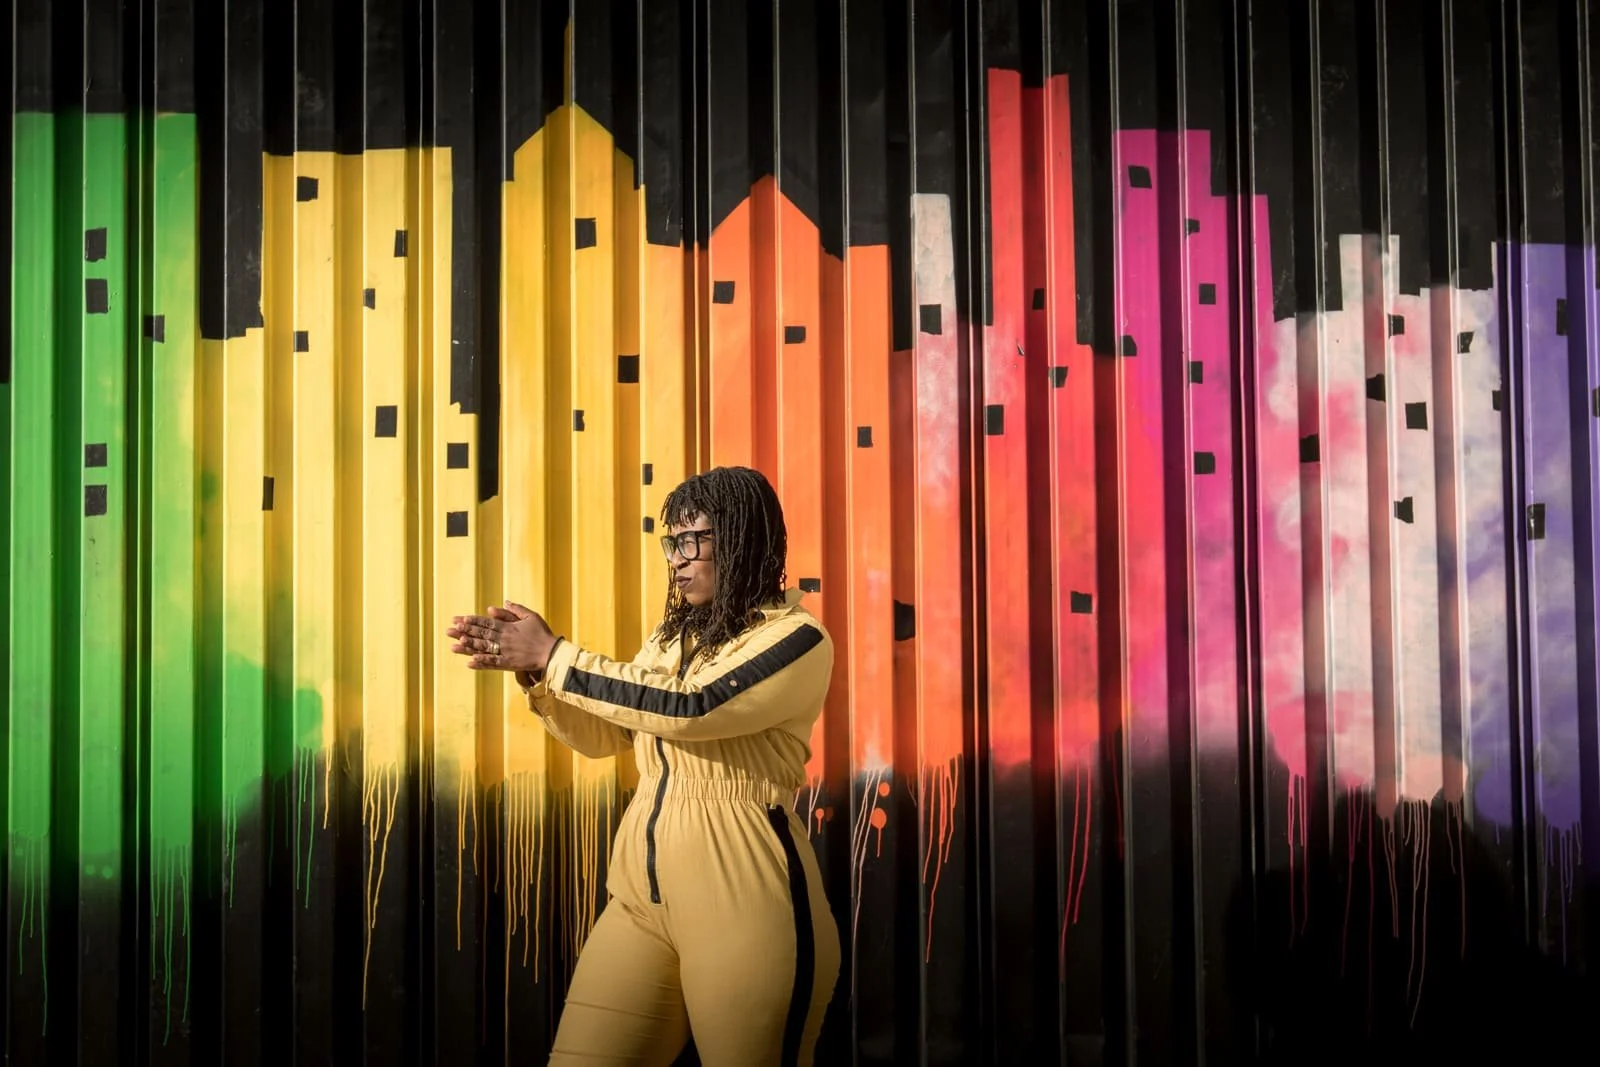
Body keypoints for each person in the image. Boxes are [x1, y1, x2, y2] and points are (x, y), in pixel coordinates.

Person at [445, 466, 841, 1067]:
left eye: (692, 541)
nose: (677, 561)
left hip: (747, 906)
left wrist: (554, 655)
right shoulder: (668, 641)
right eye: (670, 545)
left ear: (739, 539)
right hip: (640, 902)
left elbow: (690, 708)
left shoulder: (796, 638)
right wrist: (536, 676)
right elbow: (611, 735)